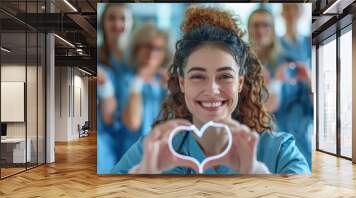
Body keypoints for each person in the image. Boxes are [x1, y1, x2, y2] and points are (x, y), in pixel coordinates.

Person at [112, 7, 310, 175]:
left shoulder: (278, 151)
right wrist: (138, 185)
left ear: (240, 82)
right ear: (182, 82)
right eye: (198, 76)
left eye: (225, 76)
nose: (212, 89)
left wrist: (259, 179)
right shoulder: (151, 150)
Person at [97, 3, 137, 173]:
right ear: (103, 23)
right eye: (111, 18)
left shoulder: (141, 60)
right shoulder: (98, 60)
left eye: (123, 18)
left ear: (131, 23)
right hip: (106, 140)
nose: (117, 24)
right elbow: (108, 117)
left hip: (135, 137)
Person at [272, 3, 313, 169]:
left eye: (294, 7)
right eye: (287, 8)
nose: (291, 12)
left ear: (302, 12)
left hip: (304, 116)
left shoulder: (309, 44)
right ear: (281, 12)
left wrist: (308, 76)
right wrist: (277, 78)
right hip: (281, 114)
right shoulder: (275, 46)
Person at [248, 8, 285, 113]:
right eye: (256, 25)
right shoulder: (241, 60)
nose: (260, 31)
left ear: (273, 29)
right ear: (249, 28)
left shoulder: (284, 60)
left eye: (265, 25)